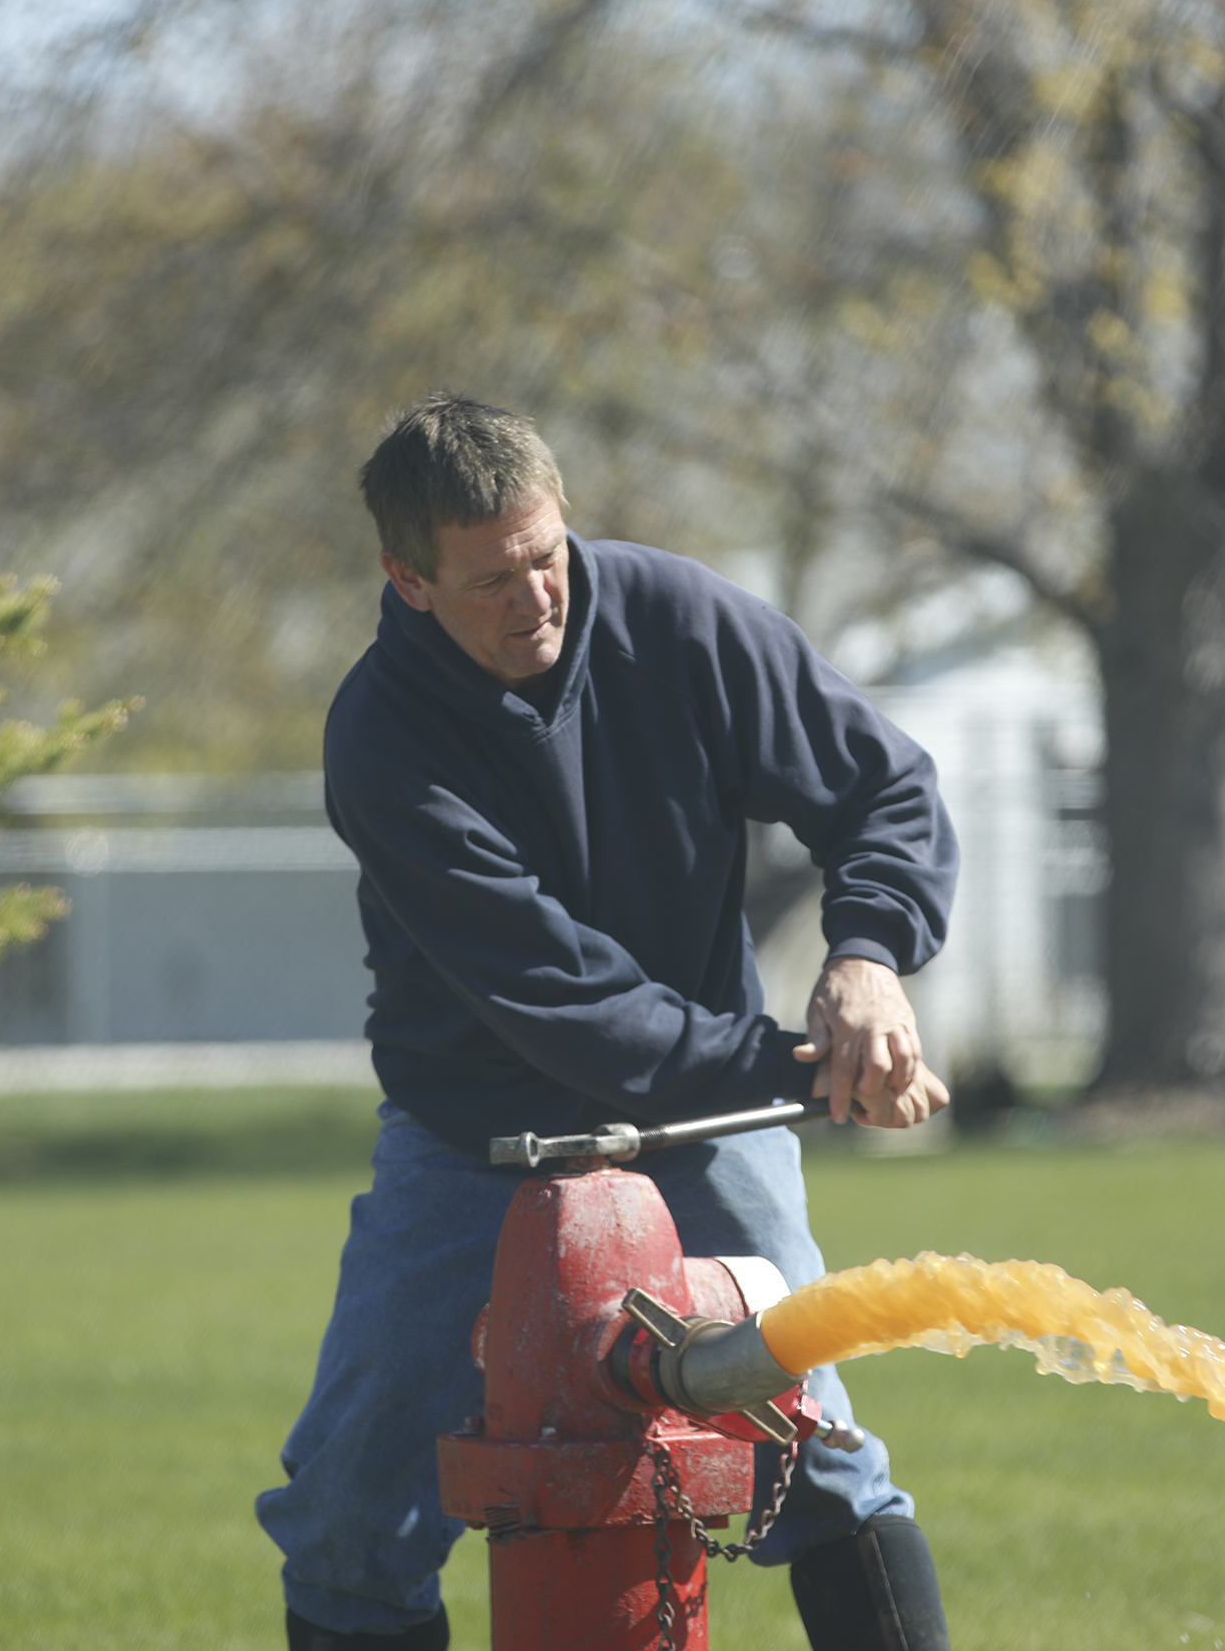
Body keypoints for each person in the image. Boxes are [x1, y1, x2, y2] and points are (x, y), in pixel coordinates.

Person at [257, 394, 959, 1651]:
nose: (535, 597)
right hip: (474, 1143)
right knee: (351, 1522)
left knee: (820, 1464)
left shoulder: (679, 621)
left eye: (546, 555)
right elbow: (566, 1002)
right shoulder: (381, 736)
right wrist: (804, 1070)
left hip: (704, 1131)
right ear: (406, 581)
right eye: (489, 580)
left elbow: (881, 788)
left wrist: (866, 957)